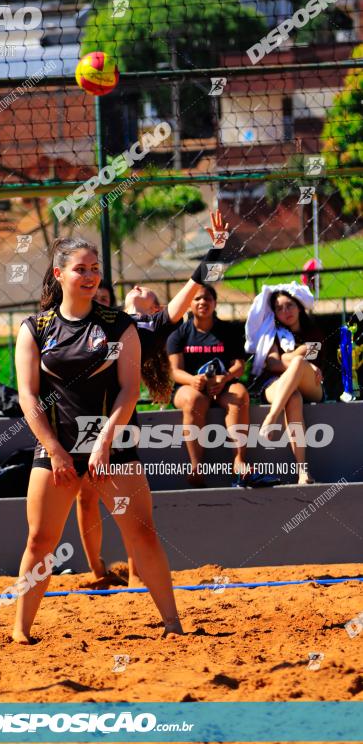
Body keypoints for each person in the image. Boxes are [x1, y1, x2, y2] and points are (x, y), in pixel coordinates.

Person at [13, 236, 182, 643]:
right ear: (59, 275)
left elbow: (129, 390)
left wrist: (106, 439)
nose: (89, 276)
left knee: (142, 533)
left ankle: (173, 624)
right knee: (40, 540)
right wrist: (53, 450)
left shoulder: (118, 325)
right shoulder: (35, 328)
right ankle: (20, 631)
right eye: (80, 269)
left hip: (112, 447)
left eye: (94, 269)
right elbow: (28, 396)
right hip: (57, 448)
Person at [77, 211, 232, 582]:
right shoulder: (104, 319)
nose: (138, 287)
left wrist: (217, 250)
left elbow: (194, 286)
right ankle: (98, 570)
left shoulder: (156, 326)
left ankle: (135, 571)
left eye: (147, 291)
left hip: (119, 417)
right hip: (84, 414)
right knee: (85, 497)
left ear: (157, 308)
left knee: (127, 504)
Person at [167, 284, 250, 488]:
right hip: (190, 387)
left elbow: (239, 365)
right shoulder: (179, 333)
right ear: (189, 304)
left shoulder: (228, 331)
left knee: (239, 395)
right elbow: (174, 371)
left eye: (207, 299)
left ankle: (239, 460)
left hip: (223, 385)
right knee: (194, 400)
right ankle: (196, 467)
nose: (202, 302)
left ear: (214, 303)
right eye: (197, 299)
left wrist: (225, 378)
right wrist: (192, 380)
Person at [245, 283, 324, 485]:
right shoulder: (271, 333)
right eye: (279, 308)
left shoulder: (313, 333)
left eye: (289, 305)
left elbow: (300, 359)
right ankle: (302, 472)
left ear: (298, 306)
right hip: (277, 384)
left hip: (312, 385)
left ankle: (271, 418)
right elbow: (271, 363)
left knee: (297, 363)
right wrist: (301, 357)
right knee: (293, 397)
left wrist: (295, 359)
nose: (285, 311)